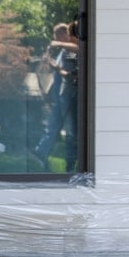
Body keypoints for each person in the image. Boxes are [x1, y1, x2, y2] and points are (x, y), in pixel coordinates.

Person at [34, 21, 79, 171]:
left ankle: (71, 163)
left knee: (70, 130)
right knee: (52, 127)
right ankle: (40, 154)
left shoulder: (70, 50)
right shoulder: (64, 51)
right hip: (60, 96)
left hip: (67, 96)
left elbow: (71, 71)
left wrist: (58, 69)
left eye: (58, 36)